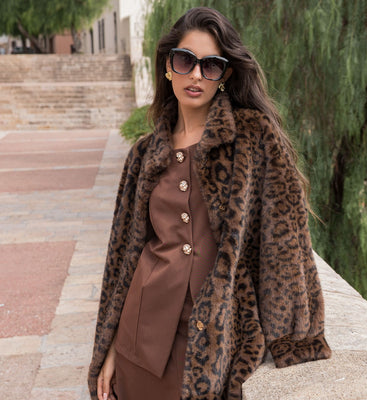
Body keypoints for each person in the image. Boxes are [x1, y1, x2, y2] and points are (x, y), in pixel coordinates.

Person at [88, 7, 331, 400]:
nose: (196, 75)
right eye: (185, 61)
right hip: (139, 343)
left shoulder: (254, 138)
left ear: (225, 75)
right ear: (169, 67)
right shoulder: (144, 155)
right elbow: (122, 257)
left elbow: (285, 244)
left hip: (215, 343)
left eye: (211, 65)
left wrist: (296, 340)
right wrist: (110, 345)